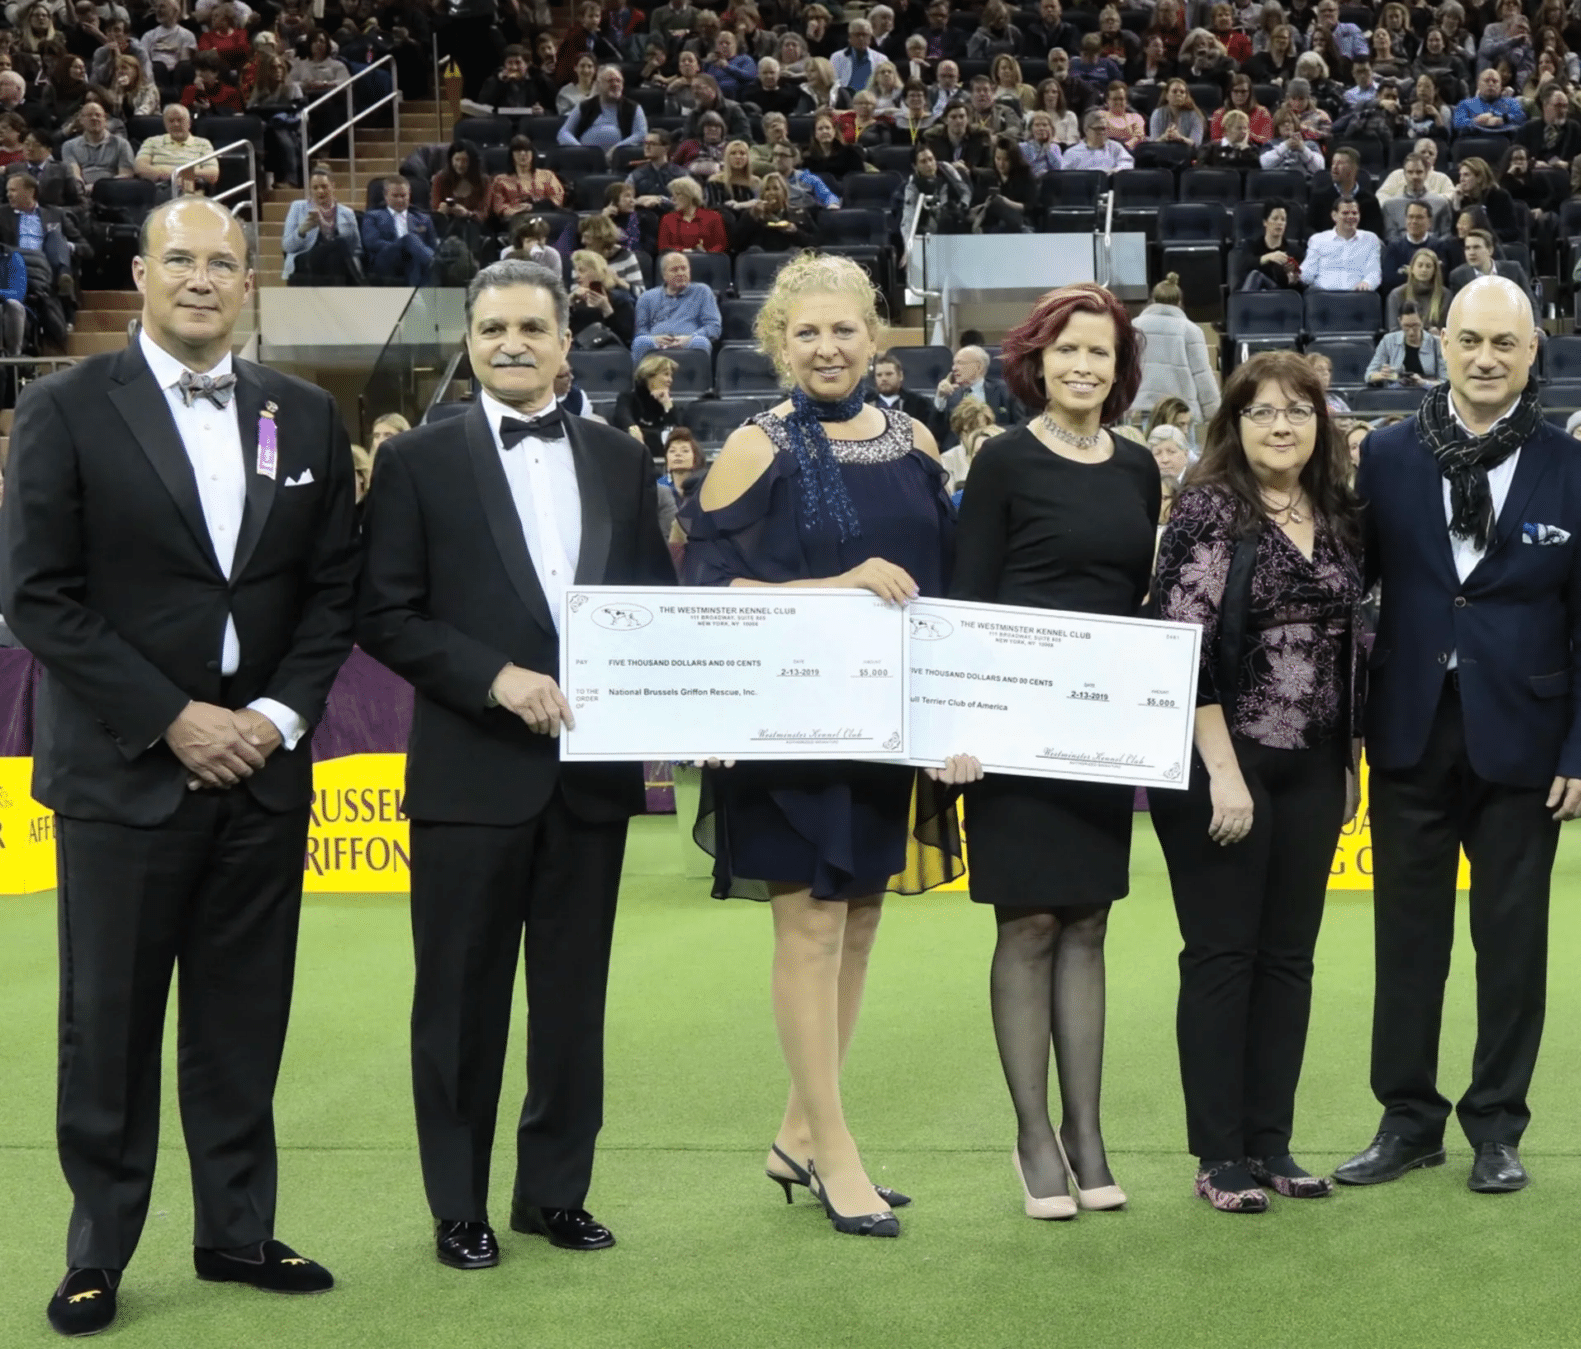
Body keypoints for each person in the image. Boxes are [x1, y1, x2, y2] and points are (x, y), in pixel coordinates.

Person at [8, 197, 359, 1338]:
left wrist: (264, 715)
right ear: (140, 274)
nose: (202, 278)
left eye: (223, 261)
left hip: (261, 771)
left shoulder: (304, 415)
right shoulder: (62, 408)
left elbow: (330, 595)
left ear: (246, 284)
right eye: (181, 260)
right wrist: (174, 718)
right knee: (107, 1026)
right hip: (124, 773)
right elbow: (39, 597)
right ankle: (98, 1250)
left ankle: (236, 1230)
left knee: (241, 1019)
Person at [354, 259, 675, 1271]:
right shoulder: (418, 461)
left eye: (530, 326)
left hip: (588, 782)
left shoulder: (621, 459)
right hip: (468, 776)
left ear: (563, 338)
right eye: (491, 327)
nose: (510, 342)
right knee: (457, 1000)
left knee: (574, 1000)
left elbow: (650, 607)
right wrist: (493, 676)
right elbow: (383, 610)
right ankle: (459, 1203)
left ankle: (552, 1193)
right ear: (469, 339)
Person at [677, 254, 977, 1239]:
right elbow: (705, 598)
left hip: (881, 728)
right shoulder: (753, 446)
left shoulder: (918, 440)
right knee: (807, 931)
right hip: (790, 731)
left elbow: (937, 588)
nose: (827, 346)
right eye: (805, 331)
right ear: (778, 344)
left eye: (843, 329)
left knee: (857, 926)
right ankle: (834, 1148)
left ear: (875, 336)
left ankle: (798, 1130)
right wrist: (838, 586)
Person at [1334, 275, 1581, 1195]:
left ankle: (1497, 1124)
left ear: (1534, 350)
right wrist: (1345, 740)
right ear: (1440, 345)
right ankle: (1407, 1120)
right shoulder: (1384, 458)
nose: (1487, 358)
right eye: (1471, 342)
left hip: (1526, 746)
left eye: (1506, 343)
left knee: (1511, 943)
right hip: (1410, 734)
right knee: (1405, 941)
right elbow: (1349, 606)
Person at [950, 284, 1160, 1219]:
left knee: (1089, 921)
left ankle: (1087, 1132)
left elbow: (1142, 607)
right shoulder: (999, 461)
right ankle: (1033, 1135)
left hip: (1101, 731)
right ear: (1038, 359)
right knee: (1028, 923)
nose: (1084, 366)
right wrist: (955, 729)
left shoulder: (1140, 468)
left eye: (1102, 354)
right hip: (1009, 732)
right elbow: (967, 600)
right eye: (1069, 350)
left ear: (1121, 370)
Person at [1147, 351, 1364, 1212]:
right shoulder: (1207, 507)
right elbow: (1181, 645)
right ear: (1233, 424)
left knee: (1289, 961)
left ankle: (1271, 1140)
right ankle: (1219, 1154)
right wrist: (1225, 774)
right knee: (1222, 959)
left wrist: (1347, 764)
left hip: (1314, 767)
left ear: (1322, 425)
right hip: (1218, 766)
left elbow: (1348, 649)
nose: (1283, 425)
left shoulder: (1341, 512)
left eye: (1300, 411)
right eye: (1264, 411)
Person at [1129, 272, 1221, 425]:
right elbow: (1202, 374)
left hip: (1146, 406)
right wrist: (1213, 411)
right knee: (1181, 448)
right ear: (1179, 302)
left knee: (1150, 447)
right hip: (1181, 410)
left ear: (1153, 299)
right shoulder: (1190, 330)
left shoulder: (1135, 326)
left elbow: (1127, 369)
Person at [631, 250, 720, 360]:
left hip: (689, 341)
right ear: (664, 275)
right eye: (675, 270)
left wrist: (690, 338)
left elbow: (713, 326)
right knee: (640, 342)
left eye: (684, 268)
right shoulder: (646, 297)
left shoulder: (703, 291)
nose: (681, 273)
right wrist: (654, 339)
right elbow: (640, 330)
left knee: (701, 342)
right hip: (656, 343)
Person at [281, 168, 359, 285]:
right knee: (340, 243)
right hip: (305, 258)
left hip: (334, 263)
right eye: (315, 187)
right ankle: (361, 284)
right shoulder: (298, 207)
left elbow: (356, 248)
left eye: (324, 186)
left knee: (335, 256)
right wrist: (302, 230)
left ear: (333, 186)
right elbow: (287, 246)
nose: (320, 191)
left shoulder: (347, 213)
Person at [362, 176, 438, 286]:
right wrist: (401, 245)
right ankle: (437, 264)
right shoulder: (373, 216)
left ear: (409, 195)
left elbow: (433, 245)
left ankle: (415, 299)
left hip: (416, 257)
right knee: (409, 239)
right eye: (395, 196)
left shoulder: (423, 218)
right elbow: (371, 243)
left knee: (412, 258)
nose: (400, 200)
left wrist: (410, 249)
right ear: (386, 196)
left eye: (403, 196)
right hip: (385, 259)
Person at [1302, 195, 1382, 292]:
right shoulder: (1317, 240)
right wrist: (1295, 274)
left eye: (1354, 213)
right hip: (1323, 297)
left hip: (1357, 297)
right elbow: (1307, 273)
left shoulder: (1370, 239)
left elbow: (1374, 271)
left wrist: (1367, 283)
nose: (1351, 217)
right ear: (1334, 216)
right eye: (1345, 213)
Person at [1365, 301, 1442, 385]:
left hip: (1427, 393)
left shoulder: (1437, 343)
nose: (1411, 332)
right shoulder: (1388, 341)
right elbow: (1369, 375)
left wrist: (1424, 383)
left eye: (1415, 325)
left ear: (1422, 320)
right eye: (1406, 326)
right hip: (1398, 394)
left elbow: (1446, 382)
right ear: (1399, 321)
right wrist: (1383, 375)